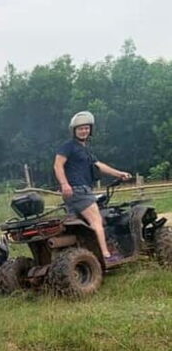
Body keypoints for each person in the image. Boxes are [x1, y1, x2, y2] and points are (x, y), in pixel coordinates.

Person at [54, 111, 131, 262]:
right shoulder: (68, 146)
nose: (84, 131)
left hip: (79, 191)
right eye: (80, 128)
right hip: (78, 189)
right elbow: (57, 165)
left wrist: (119, 174)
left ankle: (85, 257)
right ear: (74, 130)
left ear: (90, 130)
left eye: (86, 128)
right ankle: (106, 255)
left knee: (82, 226)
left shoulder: (86, 149)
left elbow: (99, 165)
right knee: (97, 221)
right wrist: (64, 184)